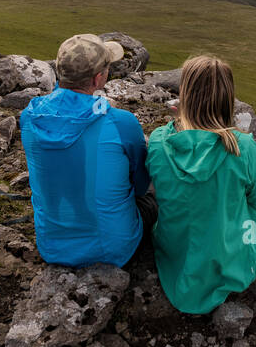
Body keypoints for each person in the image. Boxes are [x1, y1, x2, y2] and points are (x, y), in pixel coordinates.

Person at [146, 55, 256, 314]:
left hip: (175, 254)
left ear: (185, 94)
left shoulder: (160, 140)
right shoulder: (242, 146)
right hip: (226, 257)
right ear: (227, 98)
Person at [19, 34, 156, 267]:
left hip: (51, 247)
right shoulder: (121, 123)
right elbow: (140, 186)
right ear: (98, 78)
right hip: (113, 251)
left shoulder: (29, 118)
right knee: (153, 200)